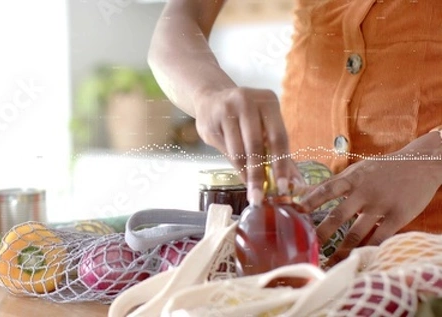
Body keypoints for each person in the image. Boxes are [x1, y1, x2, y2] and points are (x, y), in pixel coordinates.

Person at [147, 0, 442, 266]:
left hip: (429, 253)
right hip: (303, 251)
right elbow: (182, 17)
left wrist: (431, 157)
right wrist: (208, 94)